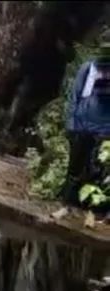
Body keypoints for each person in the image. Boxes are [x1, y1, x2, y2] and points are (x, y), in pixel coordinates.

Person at [63, 43, 110, 208]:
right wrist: (71, 123)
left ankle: (91, 204)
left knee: (96, 168)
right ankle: (68, 200)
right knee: (75, 165)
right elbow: (75, 95)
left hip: (104, 130)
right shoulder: (88, 68)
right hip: (81, 127)